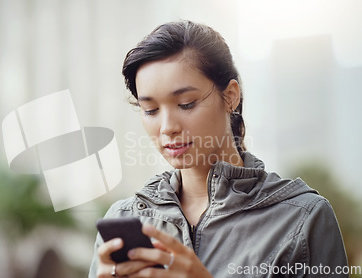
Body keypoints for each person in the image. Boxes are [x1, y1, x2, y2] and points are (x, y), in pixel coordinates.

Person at [89, 20, 348, 278]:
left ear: (230, 96)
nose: (167, 127)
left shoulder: (302, 219)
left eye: (187, 103)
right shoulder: (126, 219)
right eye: (151, 110)